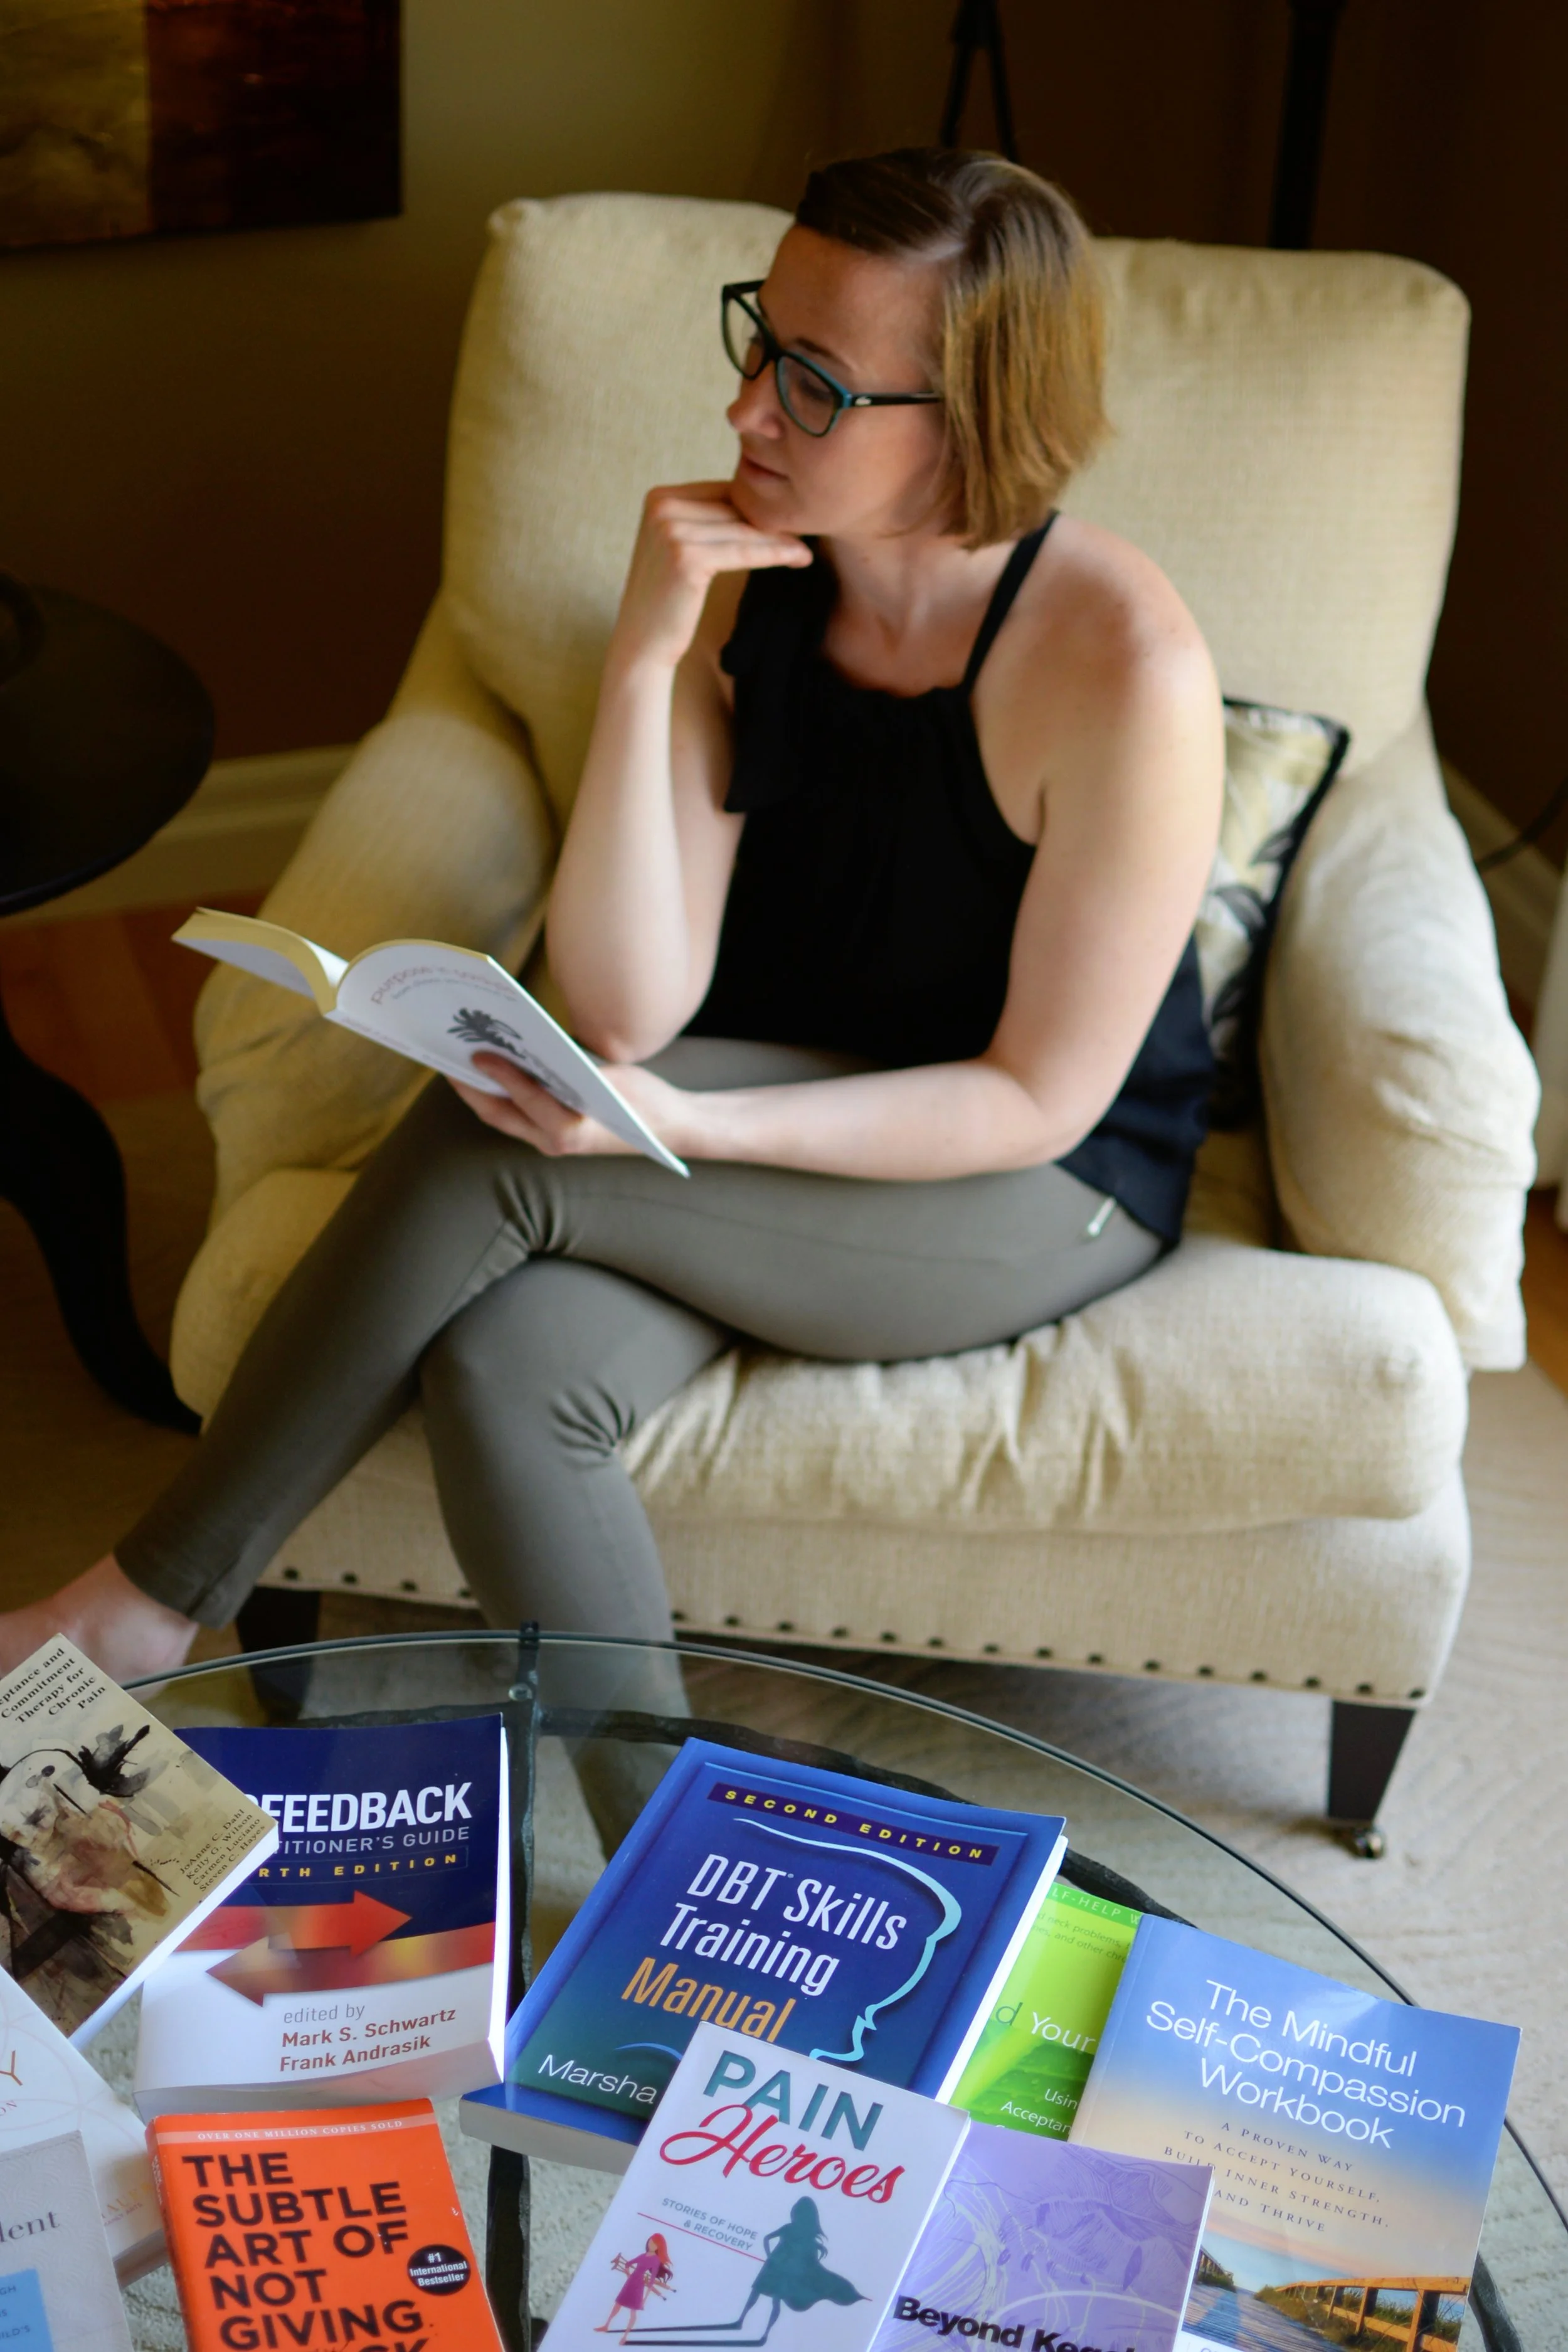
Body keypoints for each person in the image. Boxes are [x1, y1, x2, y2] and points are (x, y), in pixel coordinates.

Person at [0, 149, 1223, 1690]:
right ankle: (662, 1848)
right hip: (754, 1075)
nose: (746, 411)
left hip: (1034, 1177)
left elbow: (1036, 1094)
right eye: (758, 341)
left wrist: (677, 1124)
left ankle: (143, 1600)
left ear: (971, 415)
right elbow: (632, 1003)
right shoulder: (747, 576)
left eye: (817, 386)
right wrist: (648, 658)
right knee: (504, 1365)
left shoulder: (1125, 669)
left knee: (489, 1139)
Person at [600, 2232, 674, 2338]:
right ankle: (606, 2325)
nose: (651, 2245)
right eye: (651, 2242)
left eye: (655, 2244)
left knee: (633, 2311)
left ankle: (625, 2337)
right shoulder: (644, 2255)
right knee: (618, 2304)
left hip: (639, 2285)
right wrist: (628, 2274)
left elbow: (652, 2280)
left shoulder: (655, 2260)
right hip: (631, 2281)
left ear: (659, 2247)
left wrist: (645, 2299)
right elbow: (629, 2263)